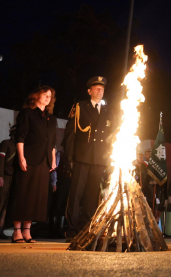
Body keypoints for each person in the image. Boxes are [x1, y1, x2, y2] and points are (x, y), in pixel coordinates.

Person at [63, 76, 116, 237]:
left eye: (102, 89)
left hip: (99, 159)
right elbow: (70, 134)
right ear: (89, 90)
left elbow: (112, 137)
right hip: (82, 157)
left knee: (92, 196)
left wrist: (110, 159)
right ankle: (72, 229)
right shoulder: (79, 107)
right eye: (96, 88)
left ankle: (86, 228)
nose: (100, 91)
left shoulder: (108, 110)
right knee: (76, 194)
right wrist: (69, 157)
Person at [8, 86, 57, 243]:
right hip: (28, 158)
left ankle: (27, 231)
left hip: (44, 161)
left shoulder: (51, 118)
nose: (47, 97)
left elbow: (53, 142)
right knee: (22, 194)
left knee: (35, 197)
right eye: (44, 94)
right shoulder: (27, 113)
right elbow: (20, 136)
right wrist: (21, 157)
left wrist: (53, 160)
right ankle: (16, 231)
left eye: (50, 96)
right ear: (36, 96)